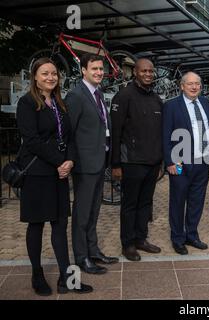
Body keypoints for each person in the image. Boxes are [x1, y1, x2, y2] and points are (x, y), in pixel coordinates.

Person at [16, 58, 92, 295]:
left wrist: (69, 160)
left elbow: (68, 137)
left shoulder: (60, 103)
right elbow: (32, 141)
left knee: (60, 225)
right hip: (38, 174)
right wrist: (60, 161)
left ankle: (66, 278)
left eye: (54, 74)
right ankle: (37, 275)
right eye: (45, 73)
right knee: (36, 225)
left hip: (59, 173)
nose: (50, 77)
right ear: (35, 77)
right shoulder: (26, 103)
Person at [65, 53, 118, 274]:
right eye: (94, 69)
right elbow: (69, 133)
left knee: (94, 211)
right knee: (82, 213)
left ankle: (93, 251)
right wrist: (73, 161)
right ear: (83, 71)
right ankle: (81, 257)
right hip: (85, 165)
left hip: (99, 162)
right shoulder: (76, 96)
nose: (99, 72)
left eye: (100, 69)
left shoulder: (98, 93)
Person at [111, 58, 163, 261]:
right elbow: (116, 132)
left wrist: (161, 162)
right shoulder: (123, 97)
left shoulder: (157, 99)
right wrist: (115, 164)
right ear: (135, 72)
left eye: (151, 71)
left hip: (152, 163)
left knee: (145, 204)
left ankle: (141, 238)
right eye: (144, 71)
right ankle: (128, 244)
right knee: (129, 205)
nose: (148, 74)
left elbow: (159, 133)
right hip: (131, 162)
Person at [162, 71, 209, 255]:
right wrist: (170, 162)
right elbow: (166, 135)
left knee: (196, 201)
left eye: (197, 84)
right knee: (177, 201)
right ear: (182, 86)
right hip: (181, 163)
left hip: (203, 162)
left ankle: (192, 234)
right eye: (189, 84)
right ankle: (177, 238)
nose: (193, 87)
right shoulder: (171, 106)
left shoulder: (205, 103)